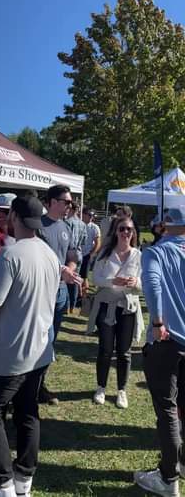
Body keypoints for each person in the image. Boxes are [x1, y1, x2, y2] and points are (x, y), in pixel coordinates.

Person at [0, 195, 60, 497]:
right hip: (39, 350)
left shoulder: (10, 255)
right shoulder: (49, 254)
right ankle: (24, 478)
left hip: (10, 353)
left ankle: (3, 484)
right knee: (26, 411)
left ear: (14, 216)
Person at [134, 207, 185, 497]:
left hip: (167, 340)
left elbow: (152, 284)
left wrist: (157, 321)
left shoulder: (156, 252)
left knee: (167, 409)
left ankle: (168, 477)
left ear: (164, 225)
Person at [89, 216, 143, 409]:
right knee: (105, 350)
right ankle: (101, 387)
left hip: (128, 308)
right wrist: (113, 281)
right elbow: (95, 278)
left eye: (129, 229)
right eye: (122, 229)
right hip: (107, 306)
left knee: (124, 352)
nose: (126, 233)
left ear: (134, 233)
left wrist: (135, 283)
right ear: (116, 231)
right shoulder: (105, 252)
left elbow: (144, 284)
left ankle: (121, 390)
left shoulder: (138, 255)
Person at [38, 184, 81, 404]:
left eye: (71, 203)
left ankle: (40, 384)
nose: (70, 206)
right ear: (53, 202)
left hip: (60, 293)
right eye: (66, 202)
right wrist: (60, 271)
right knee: (38, 339)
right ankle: (31, 385)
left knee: (51, 340)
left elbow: (73, 254)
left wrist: (69, 270)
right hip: (41, 293)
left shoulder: (66, 227)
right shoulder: (38, 226)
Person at [65, 202, 87, 312]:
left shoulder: (67, 223)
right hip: (79, 254)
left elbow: (69, 241)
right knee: (75, 280)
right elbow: (84, 241)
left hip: (70, 254)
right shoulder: (82, 224)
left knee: (67, 280)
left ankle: (67, 305)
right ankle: (72, 306)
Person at [80, 208, 101, 290]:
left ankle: (84, 298)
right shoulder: (78, 224)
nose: (91, 218)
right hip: (76, 254)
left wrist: (91, 254)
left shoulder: (94, 227)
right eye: (89, 215)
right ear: (83, 214)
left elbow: (98, 243)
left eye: (92, 216)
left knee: (85, 277)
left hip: (87, 255)